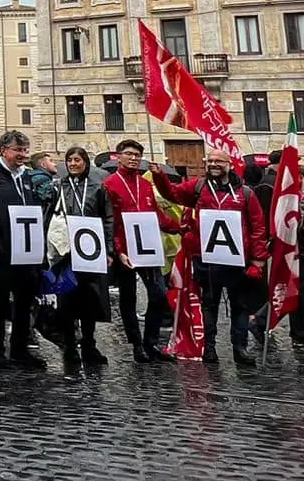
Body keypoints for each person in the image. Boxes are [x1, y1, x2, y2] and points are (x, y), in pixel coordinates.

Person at [153, 148, 268, 366]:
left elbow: (258, 227)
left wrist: (258, 260)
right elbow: (172, 194)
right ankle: (209, 347)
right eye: (210, 160)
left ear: (229, 164)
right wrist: (159, 176)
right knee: (209, 305)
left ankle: (239, 347)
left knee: (240, 306)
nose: (214, 164)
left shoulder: (245, 193)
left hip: (237, 260)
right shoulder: (198, 187)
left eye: (219, 161)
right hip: (206, 259)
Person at [0, 131, 47, 370]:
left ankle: (19, 349)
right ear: (4, 150)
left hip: (26, 248)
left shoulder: (27, 176)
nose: (23, 155)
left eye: (25, 150)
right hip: (2, 249)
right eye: (18, 150)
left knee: (25, 301)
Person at [103, 139, 170, 363]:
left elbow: (157, 214)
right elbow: (110, 221)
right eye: (129, 154)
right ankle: (136, 344)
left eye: (137, 155)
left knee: (159, 295)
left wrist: (181, 226)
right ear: (118, 156)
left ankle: (151, 342)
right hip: (125, 249)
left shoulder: (145, 184)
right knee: (128, 298)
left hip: (147, 247)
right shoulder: (110, 184)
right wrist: (118, 250)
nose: (133, 158)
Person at [48, 146, 110, 368]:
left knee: (89, 301)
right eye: (69, 160)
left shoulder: (97, 188)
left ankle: (89, 344)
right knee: (66, 301)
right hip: (66, 253)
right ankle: (70, 346)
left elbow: (108, 218)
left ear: (85, 162)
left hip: (90, 252)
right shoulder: (59, 187)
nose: (73, 164)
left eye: (77, 160)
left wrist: (109, 250)